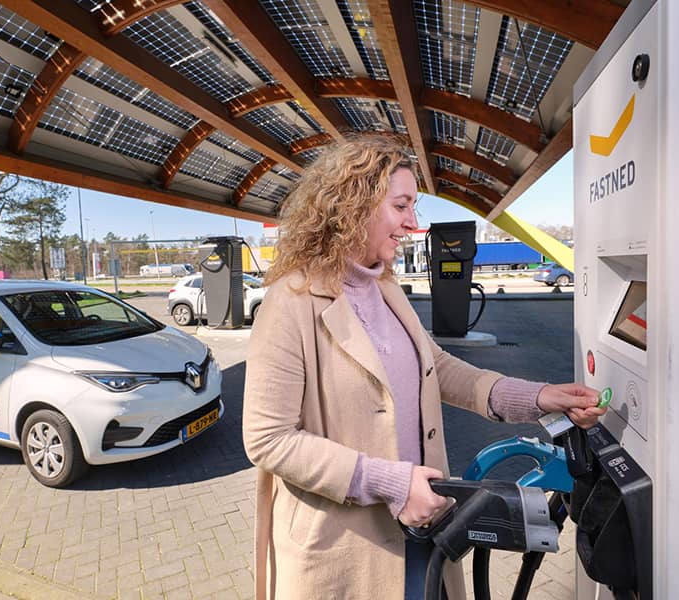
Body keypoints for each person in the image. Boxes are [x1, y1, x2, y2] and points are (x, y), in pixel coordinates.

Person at [242, 136, 606, 600]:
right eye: (401, 206)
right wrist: (391, 482)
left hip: (422, 527)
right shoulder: (289, 302)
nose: (413, 223)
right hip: (345, 551)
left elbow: (437, 368)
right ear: (353, 204)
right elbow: (267, 438)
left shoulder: (387, 289)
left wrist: (537, 398)